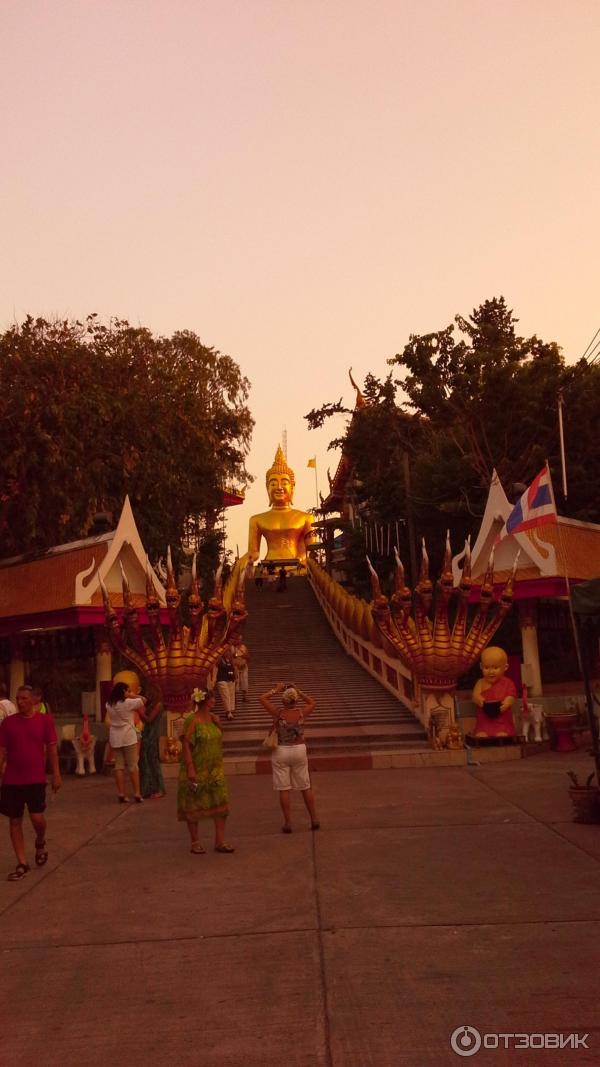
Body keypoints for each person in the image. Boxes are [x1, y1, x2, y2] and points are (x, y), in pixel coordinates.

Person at [0, 684, 62, 881]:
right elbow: (2, 751)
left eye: (25, 698)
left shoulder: (45, 721)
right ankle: (22, 862)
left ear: (35, 699)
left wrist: (56, 774)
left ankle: (40, 840)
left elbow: (52, 749)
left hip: (35, 778)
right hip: (12, 779)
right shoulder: (8, 723)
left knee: (37, 818)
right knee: (15, 820)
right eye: (18, 698)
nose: (20, 702)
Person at [177, 687, 234, 854]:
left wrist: (219, 725)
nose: (214, 701)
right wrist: (190, 767)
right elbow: (186, 744)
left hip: (215, 769)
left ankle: (220, 840)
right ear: (204, 701)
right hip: (197, 767)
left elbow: (218, 737)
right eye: (212, 699)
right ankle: (195, 842)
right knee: (194, 804)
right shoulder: (192, 720)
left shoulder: (213, 718)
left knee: (221, 802)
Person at [259, 682, 320, 834]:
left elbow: (262, 698)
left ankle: (288, 823)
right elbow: (313, 702)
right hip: (299, 749)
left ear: (283, 700)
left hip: (281, 750)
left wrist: (276, 689)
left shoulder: (278, 713)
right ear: (295, 700)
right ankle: (314, 819)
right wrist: (299, 691)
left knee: (284, 788)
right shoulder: (301, 713)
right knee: (305, 786)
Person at [247, 446, 315, 565]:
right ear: (267, 488)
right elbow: (253, 553)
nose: (279, 487)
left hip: (297, 567)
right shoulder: (256, 520)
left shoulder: (306, 518)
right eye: (273, 483)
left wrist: (300, 559)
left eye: (284, 482)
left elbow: (312, 550)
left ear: (292, 487)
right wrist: (241, 563)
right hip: (268, 567)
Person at [105, 681, 146, 803]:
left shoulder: (108, 704)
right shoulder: (128, 703)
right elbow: (144, 700)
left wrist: (128, 695)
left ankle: (121, 793)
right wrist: (133, 695)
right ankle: (137, 793)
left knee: (119, 766)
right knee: (133, 765)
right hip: (128, 736)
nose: (129, 692)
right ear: (123, 691)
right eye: (127, 690)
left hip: (115, 737)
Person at [472, 646, 517, 739]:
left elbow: (511, 695)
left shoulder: (508, 683)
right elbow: (475, 696)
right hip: (485, 715)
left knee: (503, 729)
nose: (491, 671)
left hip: (501, 716)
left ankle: (504, 731)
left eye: (495, 668)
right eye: (486, 667)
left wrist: (507, 703)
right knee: (482, 730)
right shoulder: (480, 682)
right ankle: (482, 731)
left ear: (505, 667)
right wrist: (480, 701)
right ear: (481, 666)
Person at [138, 693, 166, 799]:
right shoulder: (152, 703)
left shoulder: (158, 705)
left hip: (152, 735)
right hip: (146, 735)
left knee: (153, 762)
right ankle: (148, 788)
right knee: (145, 762)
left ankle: (159, 788)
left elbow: (149, 719)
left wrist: (140, 713)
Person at [216, 648, 236, 720]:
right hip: (221, 679)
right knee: (226, 695)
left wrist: (235, 677)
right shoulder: (219, 659)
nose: (227, 653)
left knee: (231, 695)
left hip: (230, 679)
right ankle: (228, 712)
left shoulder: (230, 660)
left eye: (228, 651)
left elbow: (233, 669)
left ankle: (231, 710)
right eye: (225, 651)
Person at [231, 633, 250, 703]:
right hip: (235, 667)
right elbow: (232, 656)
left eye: (240, 639)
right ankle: (234, 699)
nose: (238, 641)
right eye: (237, 639)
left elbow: (248, 656)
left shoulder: (244, 647)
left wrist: (244, 658)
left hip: (244, 667)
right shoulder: (232, 647)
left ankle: (244, 697)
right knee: (236, 682)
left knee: (245, 682)